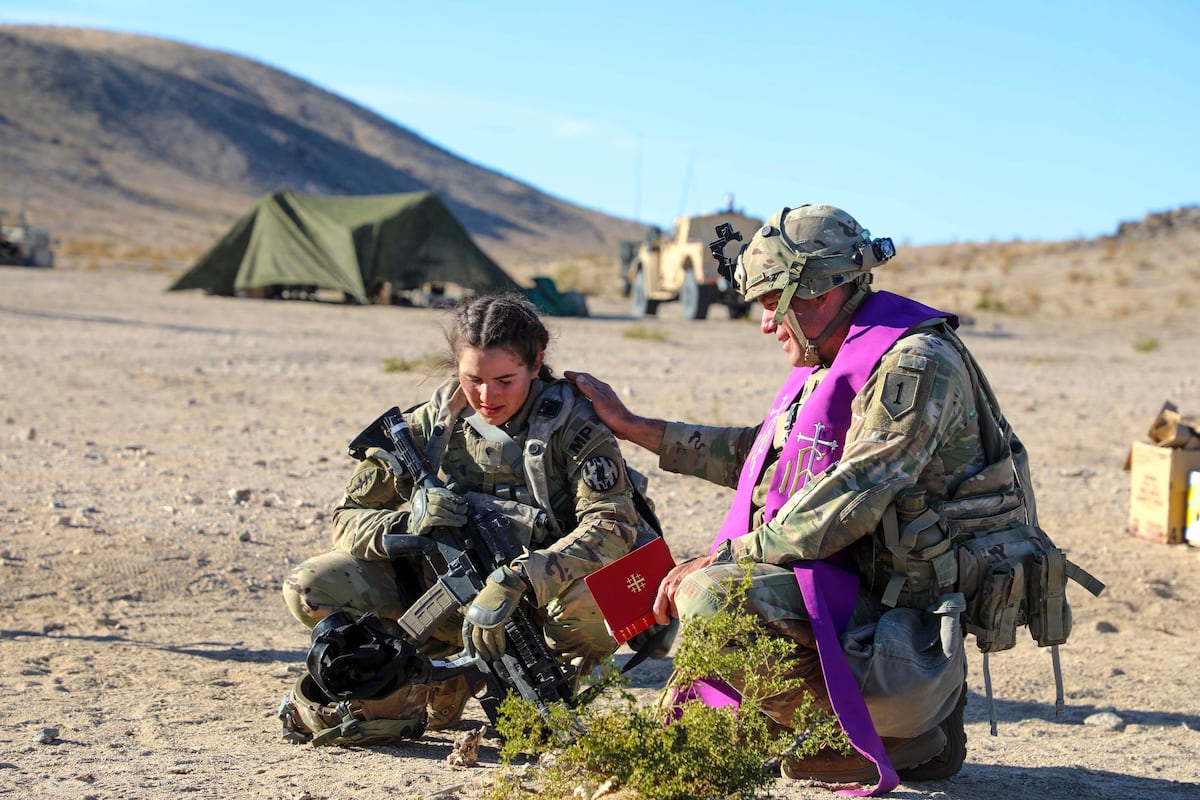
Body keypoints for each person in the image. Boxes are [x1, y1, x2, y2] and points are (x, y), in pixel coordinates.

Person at [568, 204, 1004, 786]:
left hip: (907, 617)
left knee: (711, 593)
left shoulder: (915, 363)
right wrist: (634, 427)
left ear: (820, 294)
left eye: (773, 303)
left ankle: (880, 735)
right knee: (700, 615)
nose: (766, 324)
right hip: (856, 583)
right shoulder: (837, 355)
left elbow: (856, 491)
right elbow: (763, 460)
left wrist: (725, 557)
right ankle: (849, 727)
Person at [282, 293, 643, 739]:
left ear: (536, 363)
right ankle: (433, 674)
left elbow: (612, 523)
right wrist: (408, 524)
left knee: (600, 602)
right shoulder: (427, 427)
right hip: (440, 593)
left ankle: (546, 676)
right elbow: (346, 519)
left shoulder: (572, 425)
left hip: (535, 601)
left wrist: (519, 578)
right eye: (472, 379)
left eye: (505, 380)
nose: (487, 396)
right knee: (310, 586)